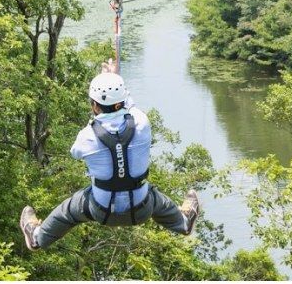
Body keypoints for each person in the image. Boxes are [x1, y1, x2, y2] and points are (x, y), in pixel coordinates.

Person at [19, 58, 201, 251]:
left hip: (102, 211)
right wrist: (115, 77)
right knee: (156, 198)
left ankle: (37, 237)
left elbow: (75, 153)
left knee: (69, 210)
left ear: (94, 106)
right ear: (122, 100)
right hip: (141, 210)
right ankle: (183, 222)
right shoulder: (142, 122)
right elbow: (128, 107)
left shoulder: (87, 137)